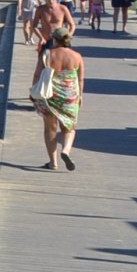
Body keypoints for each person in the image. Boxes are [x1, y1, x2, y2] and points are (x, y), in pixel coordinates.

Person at [29, 26, 85, 171]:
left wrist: (33, 91)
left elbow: (37, 74)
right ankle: (66, 150)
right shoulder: (77, 56)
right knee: (69, 127)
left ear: (54, 39)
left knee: (50, 129)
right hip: (70, 95)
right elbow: (80, 79)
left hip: (49, 94)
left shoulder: (47, 54)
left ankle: (53, 162)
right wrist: (80, 95)